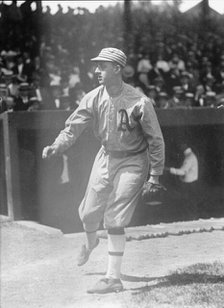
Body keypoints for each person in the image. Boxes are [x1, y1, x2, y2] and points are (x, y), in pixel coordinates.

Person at [42, 47, 165, 294]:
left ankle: (112, 278)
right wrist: (56, 145)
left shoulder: (139, 101)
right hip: (106, 157)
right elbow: (72, 128)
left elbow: (155, 140)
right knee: (88, 214)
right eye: (97, 66)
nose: (97, 71)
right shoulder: (93, 97)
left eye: (102, 66)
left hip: (133, 160)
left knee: (115, 216)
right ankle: (91, 242)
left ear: (117, 68)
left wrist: (155, 174)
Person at [165, 143, 199, 220]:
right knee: (190, 204)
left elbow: (183, 172)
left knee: (188, 204)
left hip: (189, 184)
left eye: (181, 146)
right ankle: (191, 219)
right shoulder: (191, 156)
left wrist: (169, 169)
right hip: (192, 183)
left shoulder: (189, 158)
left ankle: (189, 220)